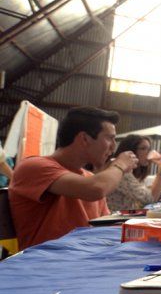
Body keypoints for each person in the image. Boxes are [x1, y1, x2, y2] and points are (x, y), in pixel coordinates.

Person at [9, 106, 138, 250]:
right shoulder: (33, 167)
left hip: (83, 259)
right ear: (84, 139)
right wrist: (120, 164)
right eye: (110, 138)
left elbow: (105, 225)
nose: (113, 147)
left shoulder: (90, 177)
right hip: (45, 264)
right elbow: (95, 189)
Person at [106, 135, 161, 211]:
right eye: (143, 148)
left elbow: (141, 196)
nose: (148, 153)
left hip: (122, 218)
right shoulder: (122, 171)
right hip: (114, 220)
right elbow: (150, 199)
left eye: (149, 149)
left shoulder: (131, 171)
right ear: (130, 151)